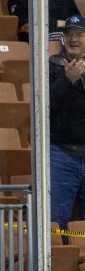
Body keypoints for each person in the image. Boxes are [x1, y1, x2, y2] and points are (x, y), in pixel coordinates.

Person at [49, 14, 85, 230]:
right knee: (55, 221)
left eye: (79, 34)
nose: (73, 39)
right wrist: (67, 81)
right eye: (69, 34)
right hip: (61, 153)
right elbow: (42, 106)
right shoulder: (52, 66)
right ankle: (53, 263)